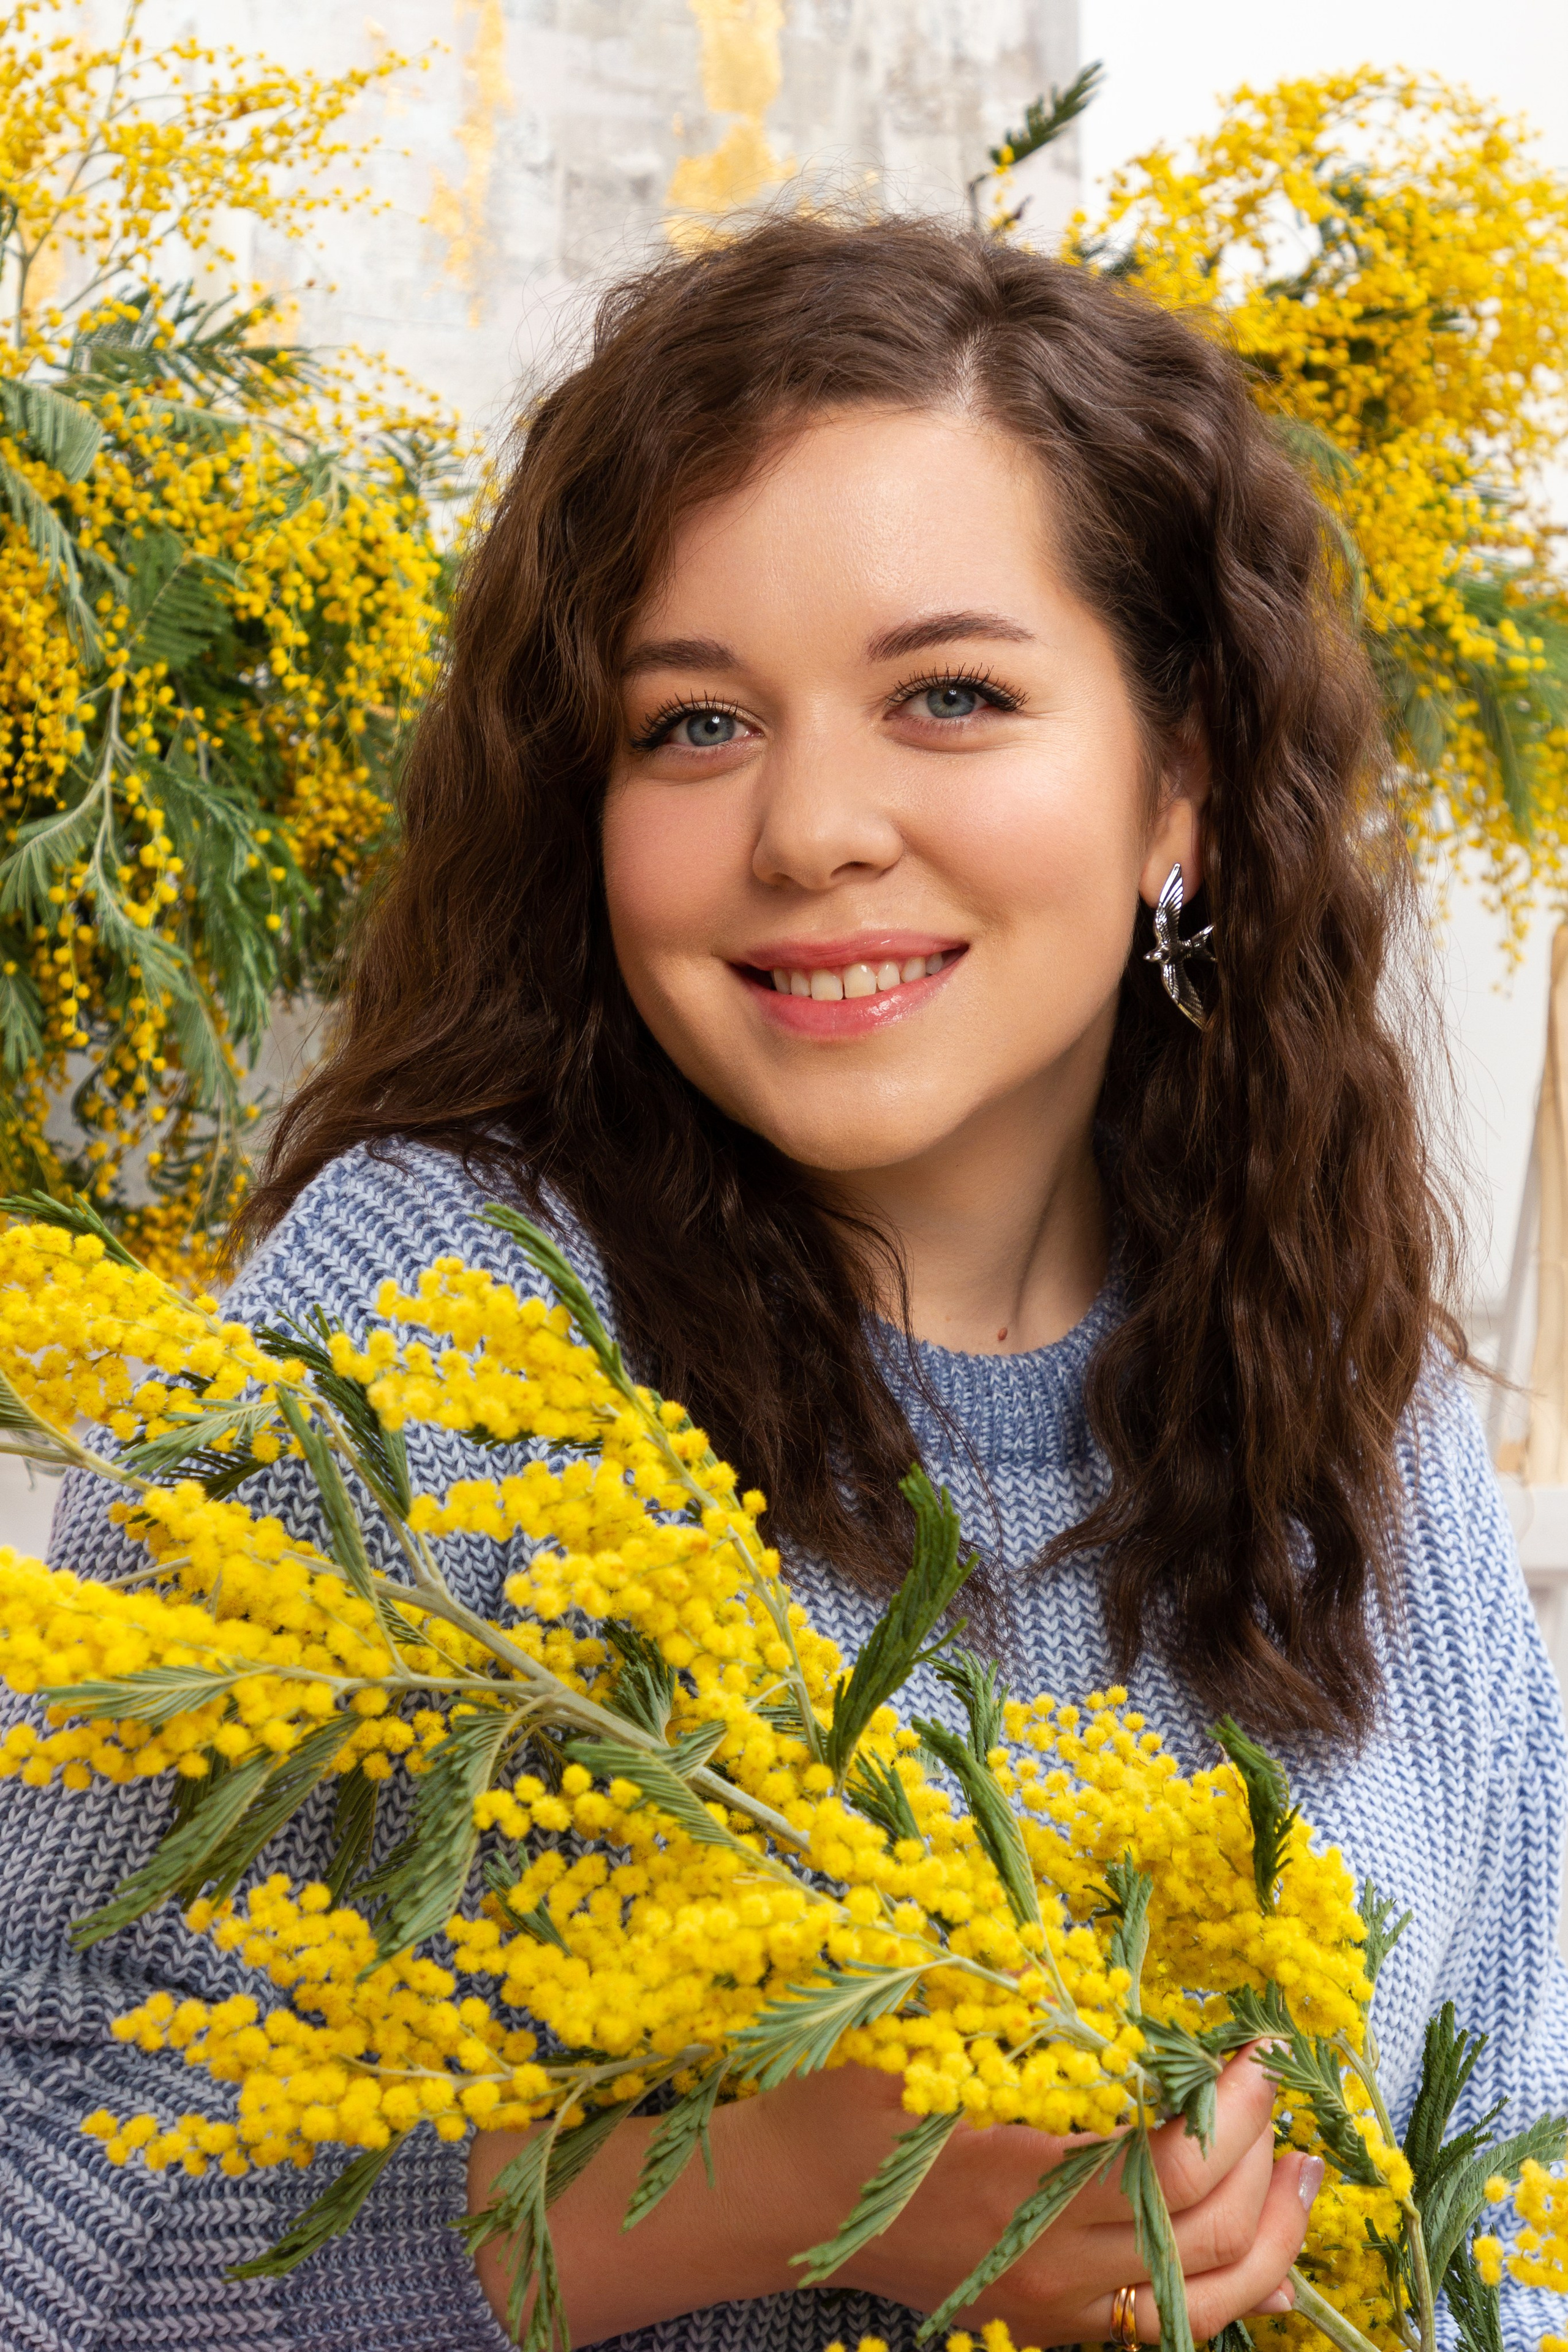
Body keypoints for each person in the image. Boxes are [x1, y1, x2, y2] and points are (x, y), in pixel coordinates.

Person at [6, 213, 1567, 2352]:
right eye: (692, 726)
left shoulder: (1343, 1395)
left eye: (951, 695)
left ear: (1177, 785)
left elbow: (1526, 2172)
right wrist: (752, 2194)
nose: (814, 826)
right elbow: (39, 2200)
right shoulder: (411, 1333)